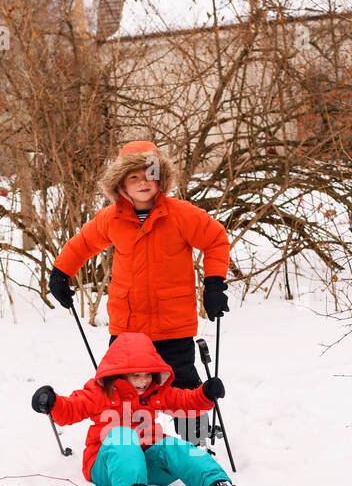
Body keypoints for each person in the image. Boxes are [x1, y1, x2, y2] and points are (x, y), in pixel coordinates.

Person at [48, 140, 230, 444]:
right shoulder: (110, 219)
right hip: (127, 328)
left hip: (172, 325)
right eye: (133, 176)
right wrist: (60, 273)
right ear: (121, 184)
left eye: (150, 174)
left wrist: (213, 284)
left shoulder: (181, 215)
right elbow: (82, 244)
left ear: (161, 178)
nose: (143, 182)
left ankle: (196, 443)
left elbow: (216, 239)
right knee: (121, 388)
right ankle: (129, 442)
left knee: (183, 383)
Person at [31, 331, 238, 486]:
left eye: (148, 374)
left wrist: (205, 394)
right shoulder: (100, 392)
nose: (143, 381)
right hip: (108, 468)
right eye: (136, 375)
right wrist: (54, 403)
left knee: (172, 445)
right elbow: (71, 409)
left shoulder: (154, 392)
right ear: (119, 373)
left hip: (147, 465)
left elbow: (184, 402)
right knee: (123, 435)